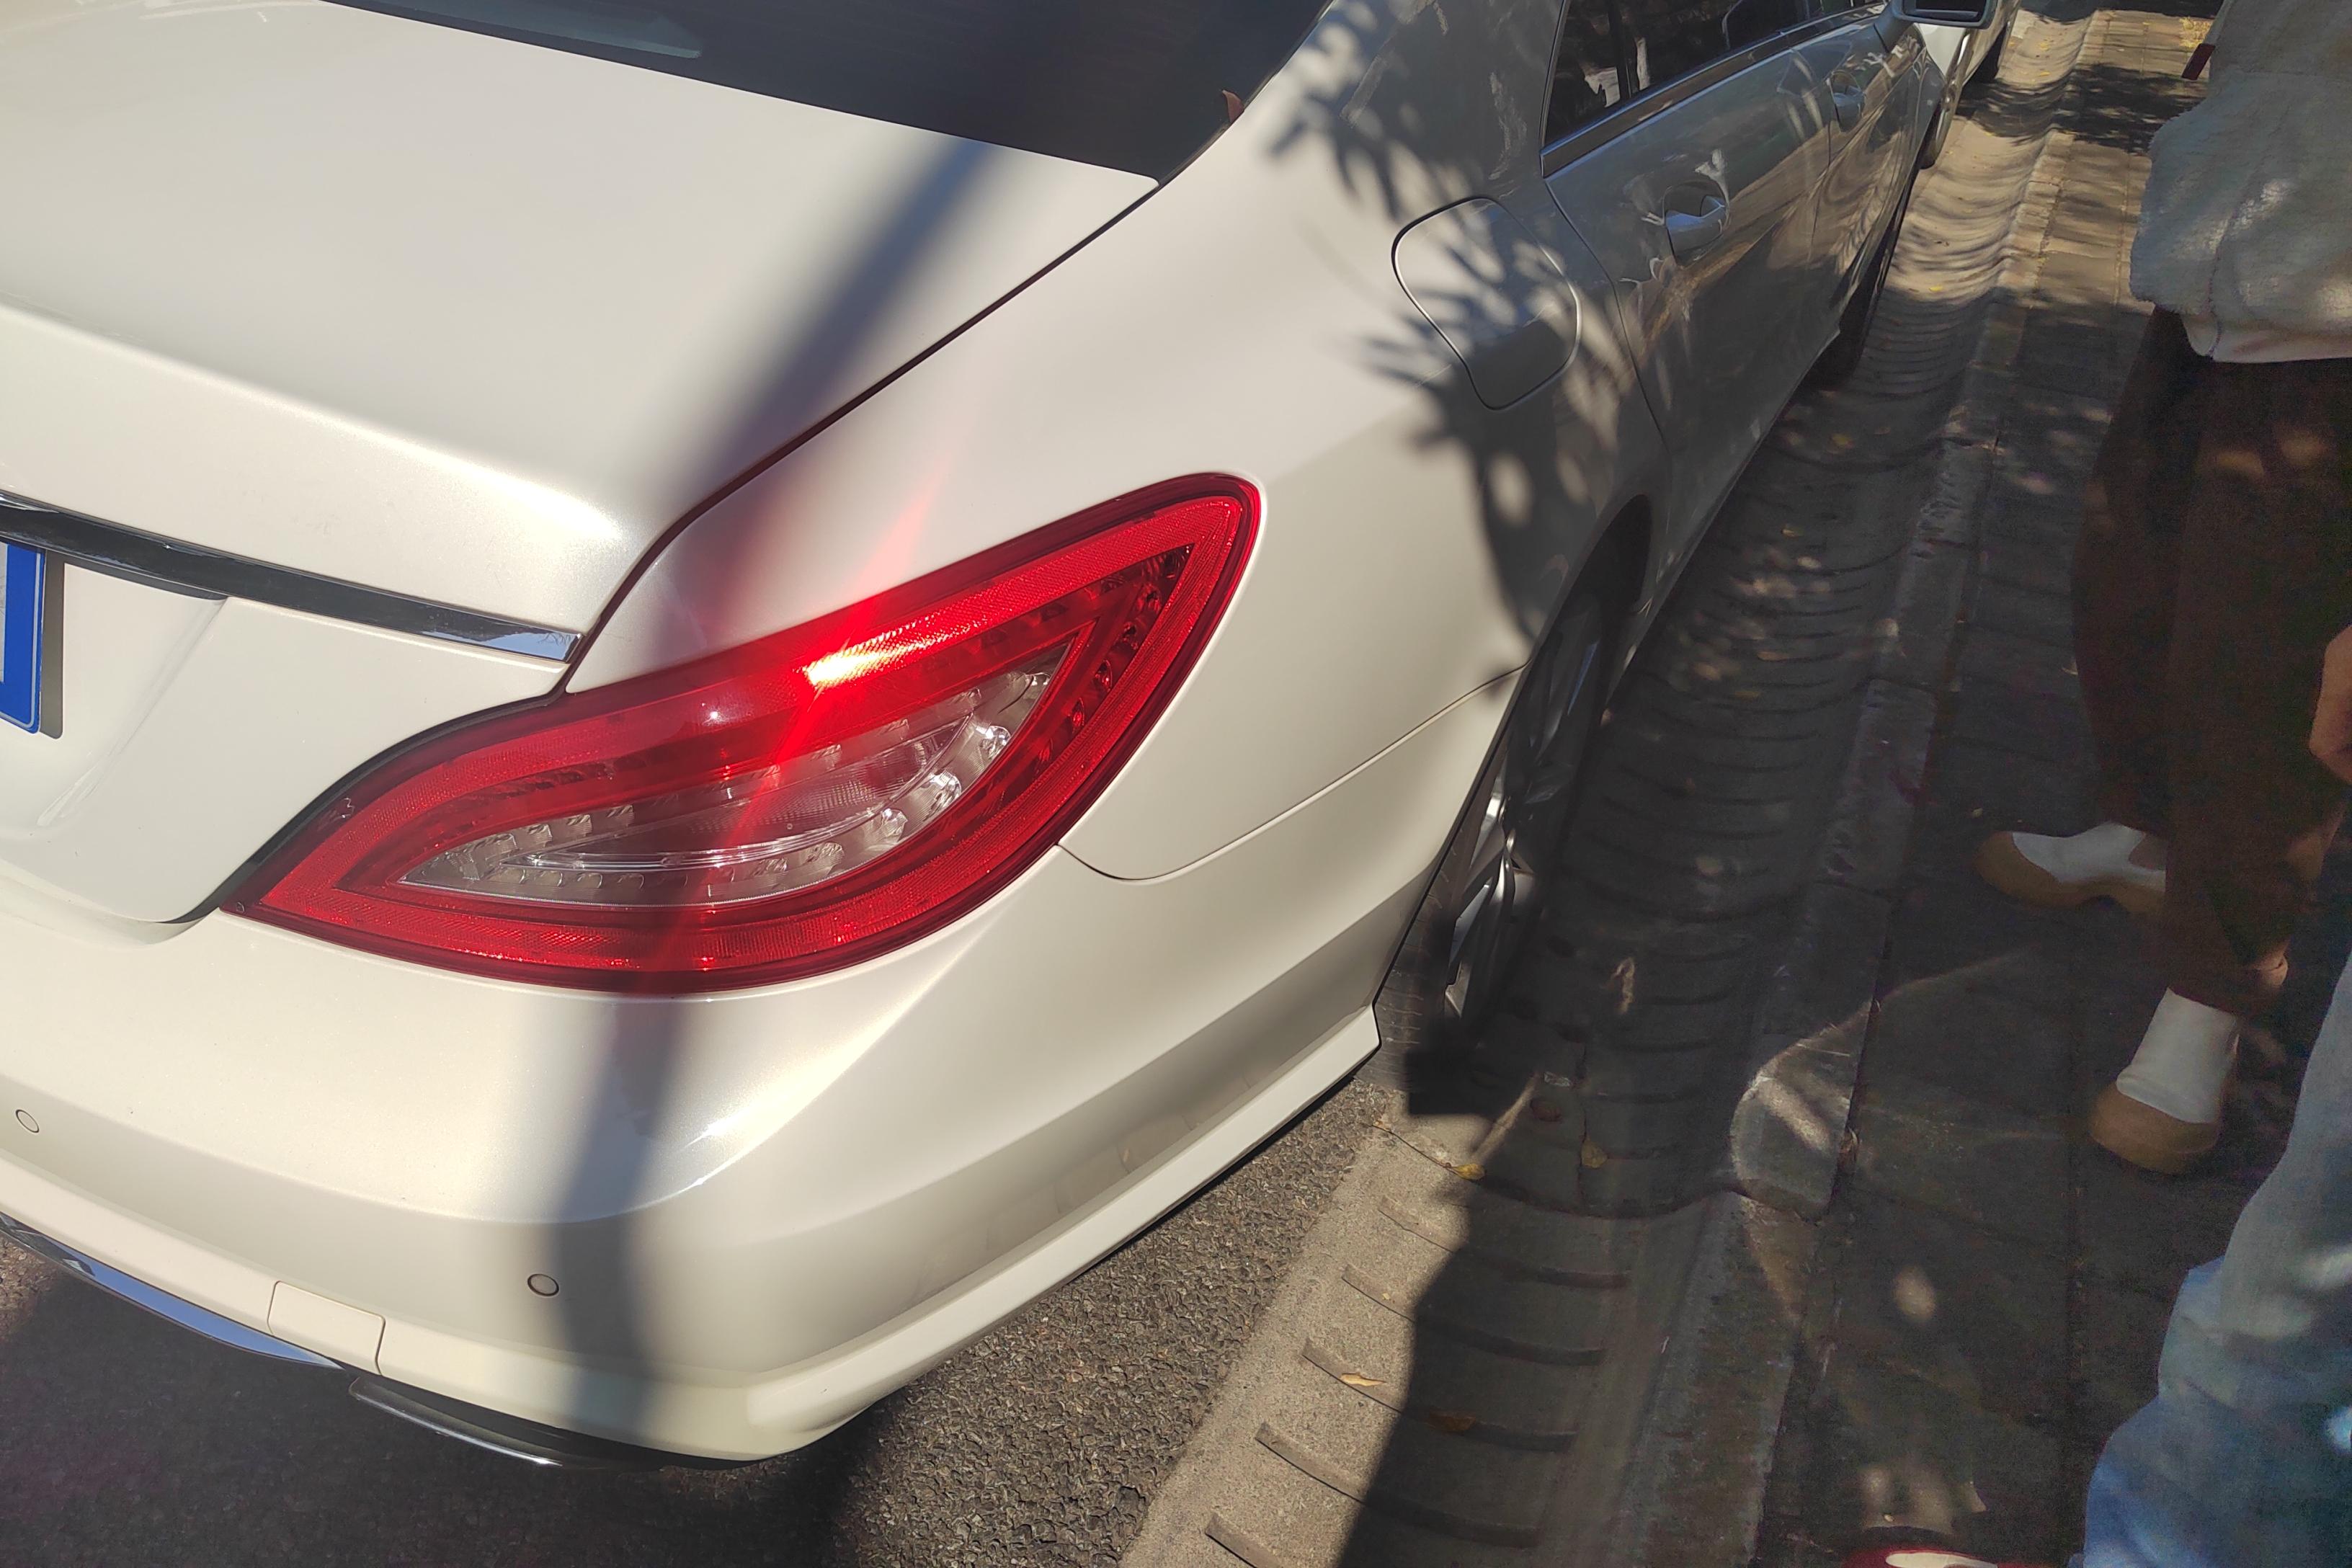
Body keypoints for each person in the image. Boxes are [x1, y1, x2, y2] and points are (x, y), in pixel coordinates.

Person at [1973, 0, 2352, 1173]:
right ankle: (2144, 837)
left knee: (2265, 681)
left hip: (2333, 351)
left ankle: (2214, 999)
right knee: (2125, 599)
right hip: (2205, 298)